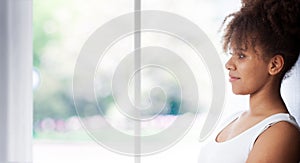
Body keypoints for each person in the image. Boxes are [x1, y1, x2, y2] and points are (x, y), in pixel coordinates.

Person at [198, 0, 300, 162]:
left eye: (241, 56)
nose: (229, 64)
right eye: (232, 53)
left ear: (274, 65)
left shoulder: (280, 133)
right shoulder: (234, 119)